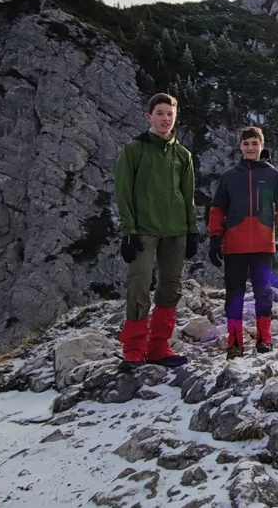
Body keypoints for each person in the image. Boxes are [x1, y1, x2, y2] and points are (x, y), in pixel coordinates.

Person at [113, 93, 201, 371]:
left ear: (175, 118)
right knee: (138, 284)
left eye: (170, 114)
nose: (165, 119)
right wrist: (128, 231)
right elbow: (123, 192)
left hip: (176, 231)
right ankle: (134, 349)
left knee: (171, 287)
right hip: (143, 230)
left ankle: (159, 347)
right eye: (160, 113)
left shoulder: (183, 155)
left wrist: (192, 231)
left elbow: (188, 196)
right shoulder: (134, 150)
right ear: (149, 117)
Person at [207, 126, 278, 358]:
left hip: (264, 245)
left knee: (263, 293)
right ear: (240, 147)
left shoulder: (273, 175)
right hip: (234, 245)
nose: (250, 148)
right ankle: (235, 342)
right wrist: (215, 238)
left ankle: (264, 339)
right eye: (246, 143)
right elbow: (216, 210)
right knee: (234, 294)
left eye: (255, 143)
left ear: (262, 145)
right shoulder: (229, 177)